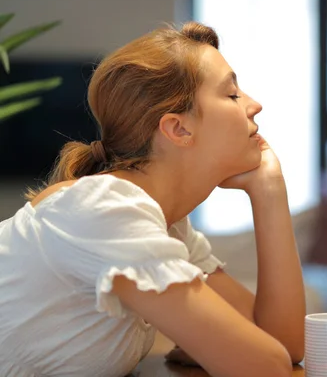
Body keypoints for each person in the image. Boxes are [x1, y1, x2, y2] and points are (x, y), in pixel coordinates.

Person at [0, 21, 306, 377]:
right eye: (233, 94)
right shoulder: (107, 209)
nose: (255, 105)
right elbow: (267, 367)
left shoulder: (165, 226)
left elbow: (285, 345)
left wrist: (269, 191)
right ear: (178, 129)